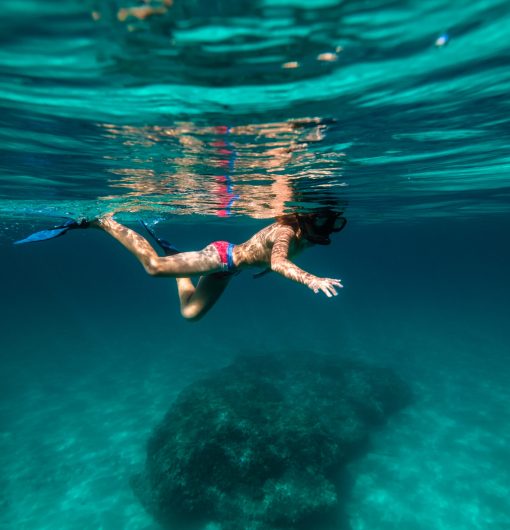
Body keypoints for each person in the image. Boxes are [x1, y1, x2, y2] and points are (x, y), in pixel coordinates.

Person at [15, 212, 346, 321]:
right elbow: (277, 260)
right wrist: (310, 280)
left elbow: (272, 261)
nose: (324, 232)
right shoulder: (287, 230)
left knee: (190, 314)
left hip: (229, 271)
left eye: (328, 227)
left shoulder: (308, 237)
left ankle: (182, 264)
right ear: (307, 217)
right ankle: (106, 222)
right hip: (221, 256)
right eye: (321, 224)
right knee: (154, 267)